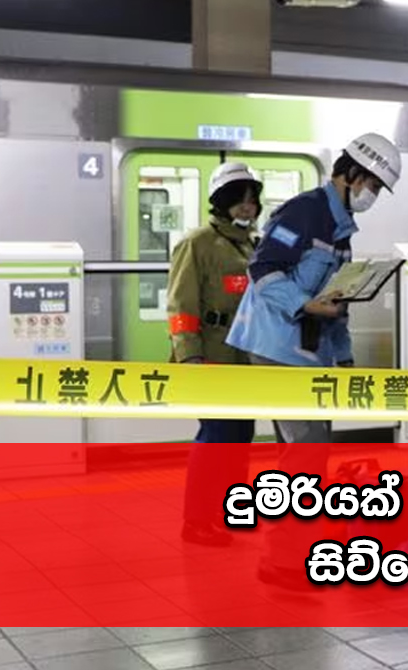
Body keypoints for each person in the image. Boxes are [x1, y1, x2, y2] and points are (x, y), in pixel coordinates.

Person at [226, 132, 400, 588]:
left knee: (306, 451)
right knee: (304, 452)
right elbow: (263, 269)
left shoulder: (341, 230)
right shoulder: (305, 210)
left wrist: (344, 360)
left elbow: (334, 299)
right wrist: (306, 304)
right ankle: (282, 560)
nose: (373, 196)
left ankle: (290, 553)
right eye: (373, 186)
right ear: (353, 175)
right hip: (275, 344)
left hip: (304, 349)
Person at [169, 162, 263, 547]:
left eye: (252, 200)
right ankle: (197, 520)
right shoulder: (197, 243)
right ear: (222, 202)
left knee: (241, 437)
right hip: (211, 354)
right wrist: (189, 356)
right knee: (216, 437)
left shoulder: (254, 246)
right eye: (239, 200)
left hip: (246, 355)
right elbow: (179, 304)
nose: (247, 207)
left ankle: (227, 514)